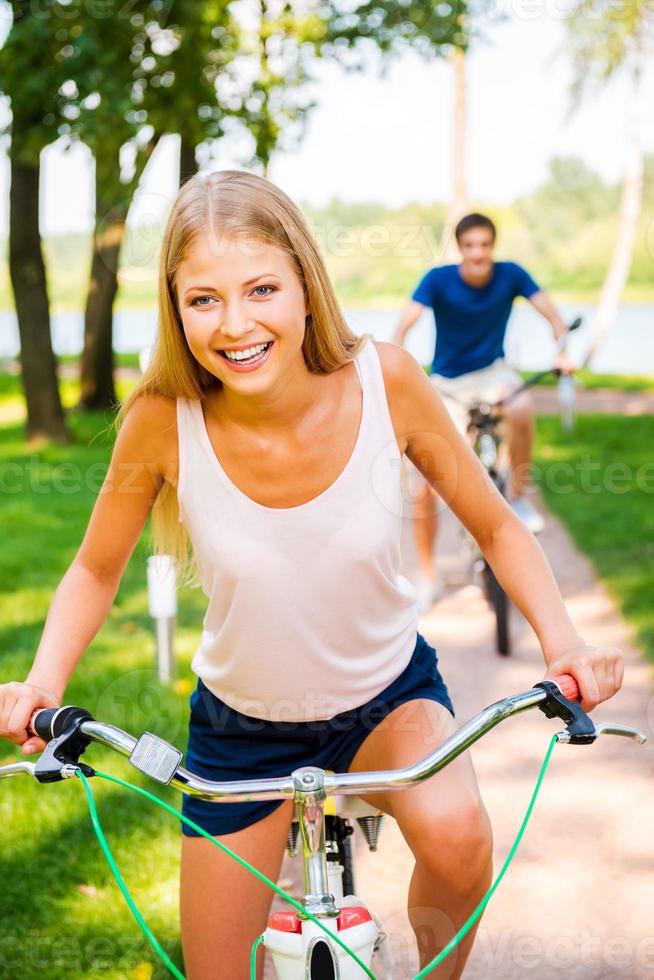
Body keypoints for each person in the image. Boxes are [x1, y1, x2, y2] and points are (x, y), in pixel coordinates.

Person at [0, 173, 621, 980]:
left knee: (461, 836)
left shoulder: (387, 381)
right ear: (174, 306)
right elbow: (94, 569)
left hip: (389, 699)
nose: (236, 324)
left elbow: (497, 524)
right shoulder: (162, 419)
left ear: (303, 284)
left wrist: (563, 639)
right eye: (203, 300)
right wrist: (42, 682)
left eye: (261, 288)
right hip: (241, 730)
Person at [393, 212, 575, 613]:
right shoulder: (438, 279)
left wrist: (561, 348)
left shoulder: (511, 275)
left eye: (484, 245)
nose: (477, 253)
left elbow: (553, 316)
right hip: (447, 382)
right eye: (470, 246)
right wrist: (399, 366)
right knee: (424, 483)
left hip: (493, 373)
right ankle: (427, 576)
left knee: (522, 405)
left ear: (493, 245)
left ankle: (521, 498)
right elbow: (403, 328)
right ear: (460, 248)